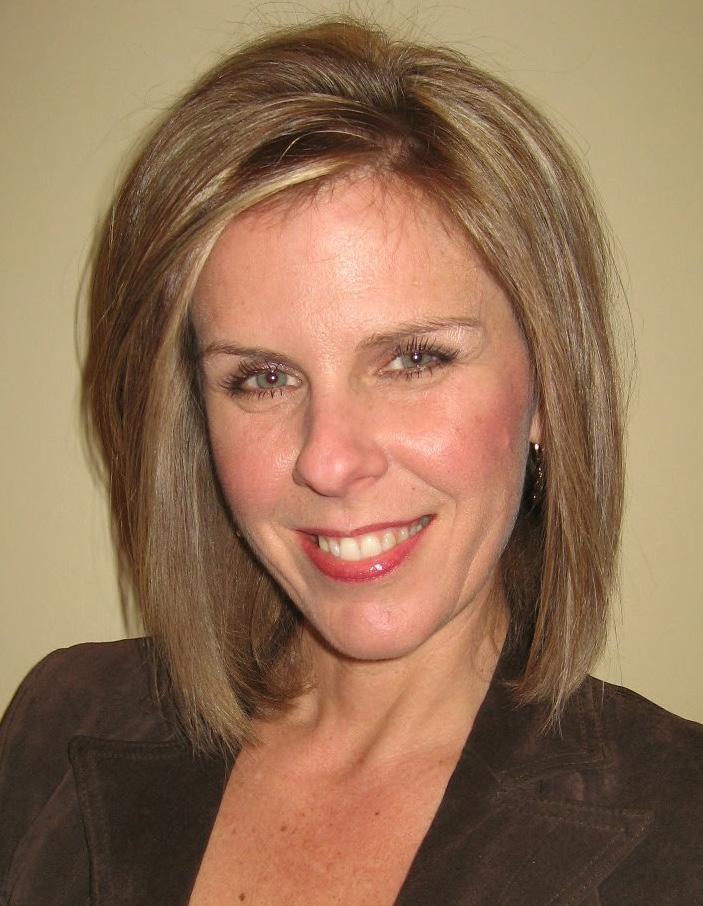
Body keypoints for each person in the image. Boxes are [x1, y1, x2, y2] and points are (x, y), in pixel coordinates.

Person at [1, 18, 701, 906]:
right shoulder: (58, 720)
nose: (329, 461)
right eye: (261, 378)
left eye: (413, 359)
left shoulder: (679, 824)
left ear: (548, 391)